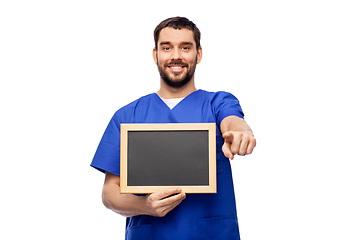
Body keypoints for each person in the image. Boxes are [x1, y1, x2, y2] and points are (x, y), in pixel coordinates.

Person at [91, 16, 256, 240]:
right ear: (155, 54)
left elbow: (233, 122)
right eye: (167, 47)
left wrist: (241, 133)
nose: (176, 55)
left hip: (211, 234)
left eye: (185, 47)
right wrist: (145, 205)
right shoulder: (127, 116)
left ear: (198, 54)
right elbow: (110, 193)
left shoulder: (217, 104)